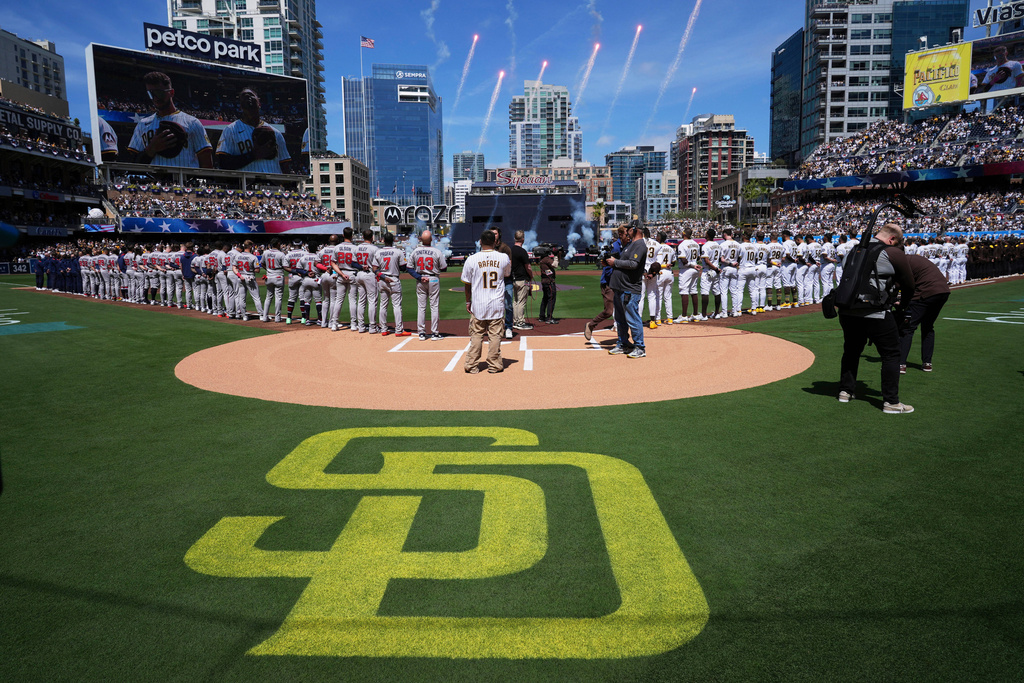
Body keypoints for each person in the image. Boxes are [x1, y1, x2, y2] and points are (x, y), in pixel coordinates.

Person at [837, 223, 916, 414]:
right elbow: (909, 283)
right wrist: (902, 305)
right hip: (876, 310)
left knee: (851, 350)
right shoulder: (891, 252)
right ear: (892, 239)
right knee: (891, 353)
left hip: (848, 310)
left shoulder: (853, 250)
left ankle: (845, 391)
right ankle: (891, 401)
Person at [126, 71, 213, 169]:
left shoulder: (192, 123)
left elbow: (206, 163)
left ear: (171, 92)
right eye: (151, 94)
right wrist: (151, 149)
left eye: (159, 93)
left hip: (185, 181)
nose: (155, 98)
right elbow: (132, 163)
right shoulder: (142, 124)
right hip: (153, 182)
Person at [462, 229, 511, 374]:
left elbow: (467, 283)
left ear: (480, 242)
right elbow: (507, 273)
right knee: (495, 335)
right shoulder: (503, 257)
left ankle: (471, 365)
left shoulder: (471, 259)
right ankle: (494, 365)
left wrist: (467, 301)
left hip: (478, 303)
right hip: (496, 302)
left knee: (476, 335)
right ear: (495, 242)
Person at [216, 88, 292, 174]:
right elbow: (223, 163)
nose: (248, 97)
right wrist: (253, 155)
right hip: (245, 184)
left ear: (259, 103)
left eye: (251, 95)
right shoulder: (230, 130)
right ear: (240, 107)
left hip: (273, 184)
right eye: (244, 97)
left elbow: (285, 165)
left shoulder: (275, 133)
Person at [898, 251, 950, 375]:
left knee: (907, 328)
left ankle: (901, 363)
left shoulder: (904, 263)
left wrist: (901, 302)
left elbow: (907, 285)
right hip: (942, 291)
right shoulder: (914, 259)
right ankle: (927, 363)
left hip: (927, 292)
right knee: (928, 327)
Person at [606, 221, 648, 359]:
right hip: (620, 287)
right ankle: (623, 343)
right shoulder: (630, 244)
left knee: (632, 318)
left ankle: (640, 347)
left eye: (629, 228)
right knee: (620, 319)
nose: (627, 230)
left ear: (635, 229)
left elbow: (633, 264)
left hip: (630, 288)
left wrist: (615, 262)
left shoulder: (640, 245)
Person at [584, 226, 624, 341]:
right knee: (608, 311)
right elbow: (607, 268)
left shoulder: (625, 247)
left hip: (619, 283)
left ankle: (623, 339)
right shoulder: (614, 247)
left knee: (622, 311)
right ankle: (591, 325)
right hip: (609, 283)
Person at [410, 229, 447, 340]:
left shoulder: (415, 251)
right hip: (433, 279)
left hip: (421, 279)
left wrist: (419, 277)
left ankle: (421, 333)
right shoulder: (437, 251)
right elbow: (444, 268)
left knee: (421, 307)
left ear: (421, 239)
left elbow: (409, 268)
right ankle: (434, 333)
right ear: (431, 239)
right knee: (434, 307)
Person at [374, 232, 411, 336]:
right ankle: (399, 330)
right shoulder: (398, 251)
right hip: (394, 279)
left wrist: (383, 276)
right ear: (393, 240)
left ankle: (384, 329)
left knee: (383, 305)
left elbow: (374, 269)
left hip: (382, 279)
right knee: (397, 306)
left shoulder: (378, 252)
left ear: (383, 241)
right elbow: (403, 267)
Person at [674, 227, 703, 322]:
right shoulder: (696, 244)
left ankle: (684, 316)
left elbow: (684, 260)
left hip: (686, 269)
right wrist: (694, 264)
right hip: (695, 269)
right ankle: (695, 314)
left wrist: (691, 264)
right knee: (694, 291)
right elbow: (698, 258)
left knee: (684, 291)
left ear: (683, 234)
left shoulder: (682, 244)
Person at [354, 230, 380, 333]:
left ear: (363, 236)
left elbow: (352, 262)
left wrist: (360, 266)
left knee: (361, 301)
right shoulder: (375, 248)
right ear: (372, 237)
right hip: (370, 274)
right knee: (372, 301)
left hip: (359, 274)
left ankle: (361, 326)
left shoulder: (357, 248)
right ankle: (372, 327)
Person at [509, 230, 534, 334]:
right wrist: (531, 276)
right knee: (521, 302)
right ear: (522, 239)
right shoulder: (522, 251)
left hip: (512, 279)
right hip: (521, 279)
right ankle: (520, 322)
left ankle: (515, 321)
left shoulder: (510, 250)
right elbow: (528, 266)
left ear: (515, 238)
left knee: (515, 301)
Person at [538, 246, 557, 324]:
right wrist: (555, 256)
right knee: (551, 299)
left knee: (545, 298)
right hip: (549, 281)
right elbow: (555, 265)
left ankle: (542, 316)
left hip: (544, 281)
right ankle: (549, 318)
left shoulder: (542, 259)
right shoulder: (546, 259)